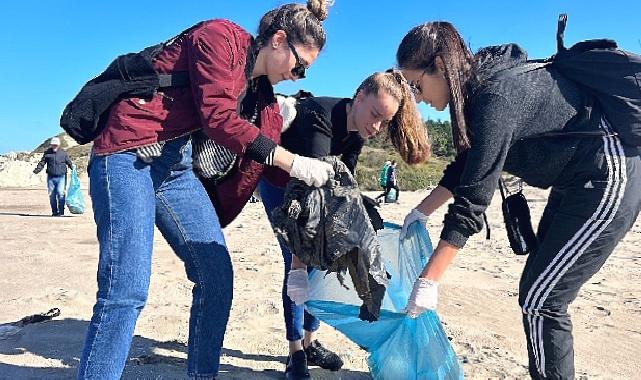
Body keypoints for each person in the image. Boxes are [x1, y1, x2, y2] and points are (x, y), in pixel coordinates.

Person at [77, 2, 335, 379]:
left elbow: (266, 169)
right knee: (126, 289)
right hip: (127, 150)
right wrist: (292, 160)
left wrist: (321, 196)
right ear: (278, 41)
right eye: (300, 66)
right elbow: (218, 117)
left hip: (175, 167)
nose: (298, 76)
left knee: (216, 278)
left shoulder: (265, 101)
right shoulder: (220, 36)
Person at [396, 22, 641, 379]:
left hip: (607, 174)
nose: (418, 99)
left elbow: (473, 200)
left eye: (417, 86)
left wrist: (428, 281)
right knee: (538, 294)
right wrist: (421, 211)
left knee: (543, 301)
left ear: (439, 64)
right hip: (575, 181)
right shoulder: (475, 91)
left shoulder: (493, 96)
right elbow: (468, 162)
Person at [260, 70, 430, 379]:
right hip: (281, 185)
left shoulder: (358, 132)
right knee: (300, 265)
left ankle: (311, 342)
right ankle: (295, 351)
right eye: (375, 115)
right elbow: (308, 205)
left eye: (384, 122)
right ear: (359, 97)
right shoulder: (319, 117)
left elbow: (342, 189)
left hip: (315, 185)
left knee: (326, 261)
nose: (377, 127)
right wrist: (299, 265)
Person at [33, 136, 74, 216]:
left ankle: (61, 211)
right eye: (53, 145)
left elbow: (68, 162)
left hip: (61, 177)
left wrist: (73, 168)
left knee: (60, 193)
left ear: (58, 145)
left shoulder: (63, 153)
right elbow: (42, 163)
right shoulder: (47, 153)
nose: (54, 146)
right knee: (52, 195)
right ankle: (54, 212)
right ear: (51, 145)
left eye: (56, 145)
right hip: (51, 177)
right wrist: (37, 170)